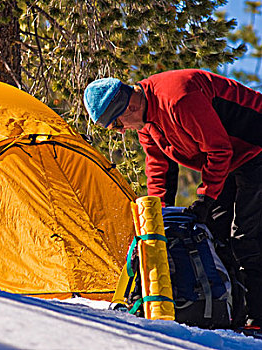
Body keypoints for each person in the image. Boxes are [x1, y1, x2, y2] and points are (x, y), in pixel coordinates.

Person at [83, 69, 262, 328]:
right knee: (215, 233)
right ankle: (233, 311)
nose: (121, 132)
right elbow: (159, 169)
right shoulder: (147, 125)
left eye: (117, 125)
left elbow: (219, 149)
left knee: (245, 236)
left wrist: (206, 197)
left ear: (129, 106)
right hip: (230, 161)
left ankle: (257, 316)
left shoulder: (177, 98)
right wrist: (157, 217)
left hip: (255, 149)